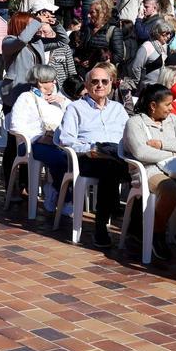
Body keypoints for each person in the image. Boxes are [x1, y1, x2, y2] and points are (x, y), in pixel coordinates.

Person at [123, 84, 176, 260]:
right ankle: (157, 233)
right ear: (153, 105)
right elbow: (141, 153)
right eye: (167, 104)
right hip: (149, 169)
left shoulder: (173, 120)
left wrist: (161, 145)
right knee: (170, 190)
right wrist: (171, 153)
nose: (171, 108)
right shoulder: (135, 123)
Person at [56, 66, 130, 248]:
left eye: (104, 81)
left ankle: (135, 226)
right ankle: (101, 225)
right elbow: (66, 140)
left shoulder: (118, 109)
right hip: (87, 158)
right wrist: (90, 148)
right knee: (109, 169)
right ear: (87, 85)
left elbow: (129, 136)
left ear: (111, 84)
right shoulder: (75, 108)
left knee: (143, 173)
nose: (100, 85)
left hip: (118, 156)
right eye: (95, 82)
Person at [6, 64, 72, 211]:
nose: (54, 83)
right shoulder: (26, 98)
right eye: (51, 80)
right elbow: (15, 126)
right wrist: (38, 138)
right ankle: (66, 199)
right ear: (40, 82)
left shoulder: (56, 99)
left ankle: (54, 190)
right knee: (59, 158)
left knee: (73, 158)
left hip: (55, 142)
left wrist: (63, 102)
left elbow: (72, 117)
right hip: (30, 143)